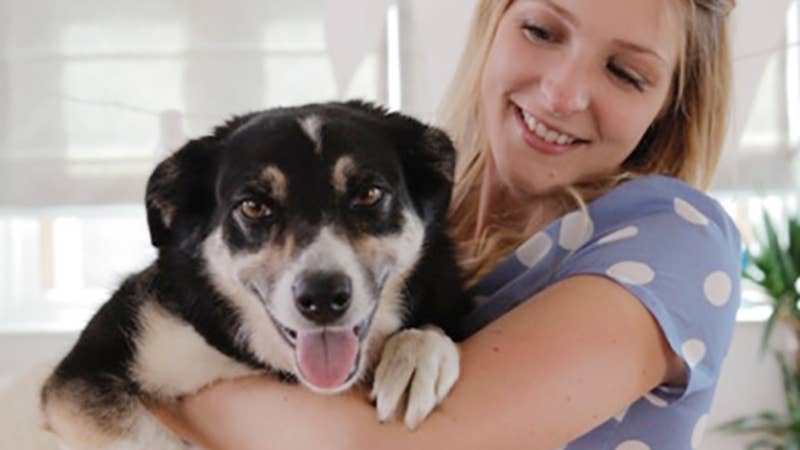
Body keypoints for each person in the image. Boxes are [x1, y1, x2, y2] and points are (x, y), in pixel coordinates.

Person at [153, 0, 741, 448]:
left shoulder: (677, 240)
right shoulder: (397, 212)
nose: (562, 93)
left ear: (670, 107)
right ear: (494, 21)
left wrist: (157, 387)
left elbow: (382, 446)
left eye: (624, 72)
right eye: (541, 31)